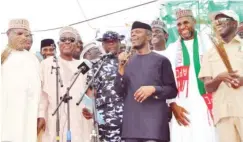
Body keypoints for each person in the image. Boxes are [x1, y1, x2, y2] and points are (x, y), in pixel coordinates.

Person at [115, 21, 177, 142]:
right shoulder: (127, 62)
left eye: (138, 32)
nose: (133, 35)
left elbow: (172, 90)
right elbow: (118, 91)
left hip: (154, 128)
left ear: (149, 36)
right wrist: (120, 68)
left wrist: (154, 89)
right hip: (131, 128)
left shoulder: (161, 61)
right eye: (132, 33)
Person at [166, 9, 217, 142]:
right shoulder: (171, 49)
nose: (182, 27)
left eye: (186, 22)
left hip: (207, 99)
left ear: (194, 22)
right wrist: (172, 104)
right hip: (182, 103)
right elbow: (166, 79)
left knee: (209, 134)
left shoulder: (209, 42)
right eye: (179, 24)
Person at [37, 26, 93, 142]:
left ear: (77, 44)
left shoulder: (83, 65)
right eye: (63, 39)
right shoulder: (47, 64)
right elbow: (42, 93)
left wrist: (89, 108)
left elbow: (90, 91)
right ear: (58, 43)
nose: (67, 42)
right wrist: (41, 115)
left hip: (78, 118)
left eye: (71, 40)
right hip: (54, 117)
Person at [199, 10, 243, 142]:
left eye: (223, 20)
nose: (218, 24)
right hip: (223, 114)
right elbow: (208, 87)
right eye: (215, 22)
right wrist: (219, 78)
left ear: (235, 24)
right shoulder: (210, 53)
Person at [1, 19, 41, 142]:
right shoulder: (3, 56)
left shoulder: (33, 59)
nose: (24, 37)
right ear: (8, 34)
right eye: (19, 34)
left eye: (27, 34)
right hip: (6, 113)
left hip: (28, 112)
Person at [82, 31, 125, 142]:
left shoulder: (128, 61)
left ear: (119, 42)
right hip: (106, 119)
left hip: (129, 117)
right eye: (107, 42)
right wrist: (89, 108)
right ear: (103, 45)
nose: (111, 44)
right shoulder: (96, 65)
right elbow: (90, 92)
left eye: (113, 41)